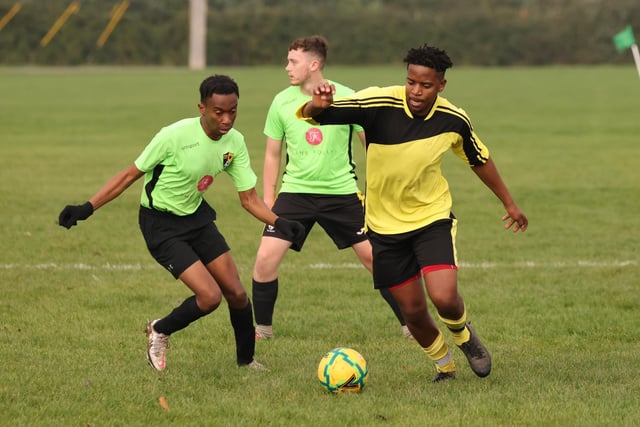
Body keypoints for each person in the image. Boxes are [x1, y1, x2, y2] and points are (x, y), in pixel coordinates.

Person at [298, 44, 528, 382]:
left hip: (430, 219)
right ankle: (444, 366)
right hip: (383, 226)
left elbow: (480, 159)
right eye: (411, 82)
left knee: (444, 296)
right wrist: (316, 105)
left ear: (441, 86)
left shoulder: (454, 119)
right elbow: (322, 112)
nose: (416, 91)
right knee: (414, 311)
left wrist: (509, 202)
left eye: (426, 85)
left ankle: (465, 337)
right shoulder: (378, 103)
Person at [58, 75, 305, 372]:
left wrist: (281, 223)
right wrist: (87, 207)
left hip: (197, 218)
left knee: (237, 294)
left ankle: (246, 361)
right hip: (160, 224)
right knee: (210, 296)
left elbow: (249, 199)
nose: (227, 119)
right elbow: (129, 175)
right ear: (202, 108)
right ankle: (160, 329)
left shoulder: (234, 142)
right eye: (219, 112)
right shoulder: (173, 136)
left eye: (233, 111)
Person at [251, 35, 409, 340]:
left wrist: (387, 186)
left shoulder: (348, 96)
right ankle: (263, 330)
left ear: (314, 64)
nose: (287, 67)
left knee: (376, 259)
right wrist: (269, 199)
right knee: (265, 259)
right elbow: (272, 154)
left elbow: (371, 146)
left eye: (293, 61)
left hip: (342, 194)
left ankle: (410, 325)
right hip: (295, 193)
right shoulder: (281, 102)